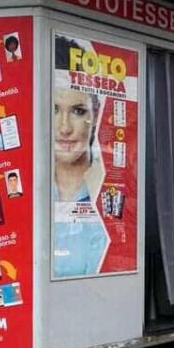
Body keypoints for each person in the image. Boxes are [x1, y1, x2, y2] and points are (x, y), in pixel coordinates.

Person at [52, 79, 108, 278]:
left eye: (78, 111)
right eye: (54, 110)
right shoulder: (27, 192)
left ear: (96, 115)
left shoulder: (108, 192)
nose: (64, 128)